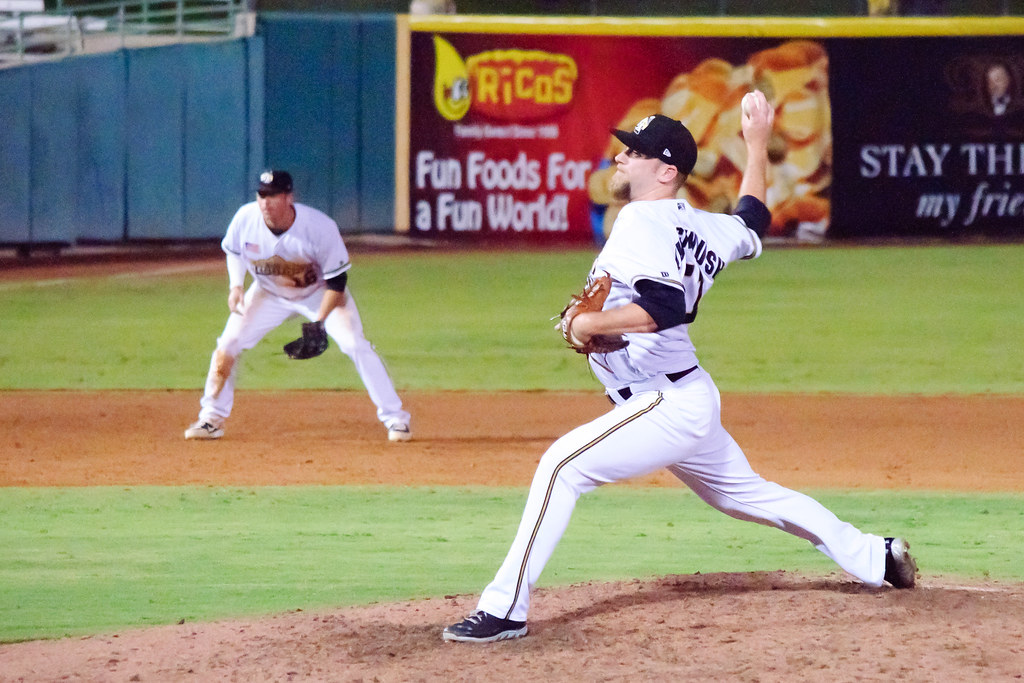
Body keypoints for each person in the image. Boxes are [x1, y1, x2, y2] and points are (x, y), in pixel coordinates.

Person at [442, 92, 917, 643]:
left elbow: (667, 308)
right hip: (686, 397)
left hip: (663, 403)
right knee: (748, 496)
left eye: (635, 153)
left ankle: (505, 610)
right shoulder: (704, 226)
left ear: (666, 171)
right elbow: (754, 220)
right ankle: (876, 557)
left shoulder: (639, 221)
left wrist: (587, 326)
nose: (621, 159)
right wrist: (757, 144)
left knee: (559, 469)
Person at [184, 170, 412, 443]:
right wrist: (236, 286)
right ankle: (211, 418)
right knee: (227, 344)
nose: (265, 202)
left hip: (318, 294)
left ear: (289, 197)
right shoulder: (246, 218)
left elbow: (337, 282)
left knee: (354, 344)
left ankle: (396, 419)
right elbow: (234, 252)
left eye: (273, 195)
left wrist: (319, 322)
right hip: (268, 293)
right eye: (262, 195)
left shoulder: (319, 227)